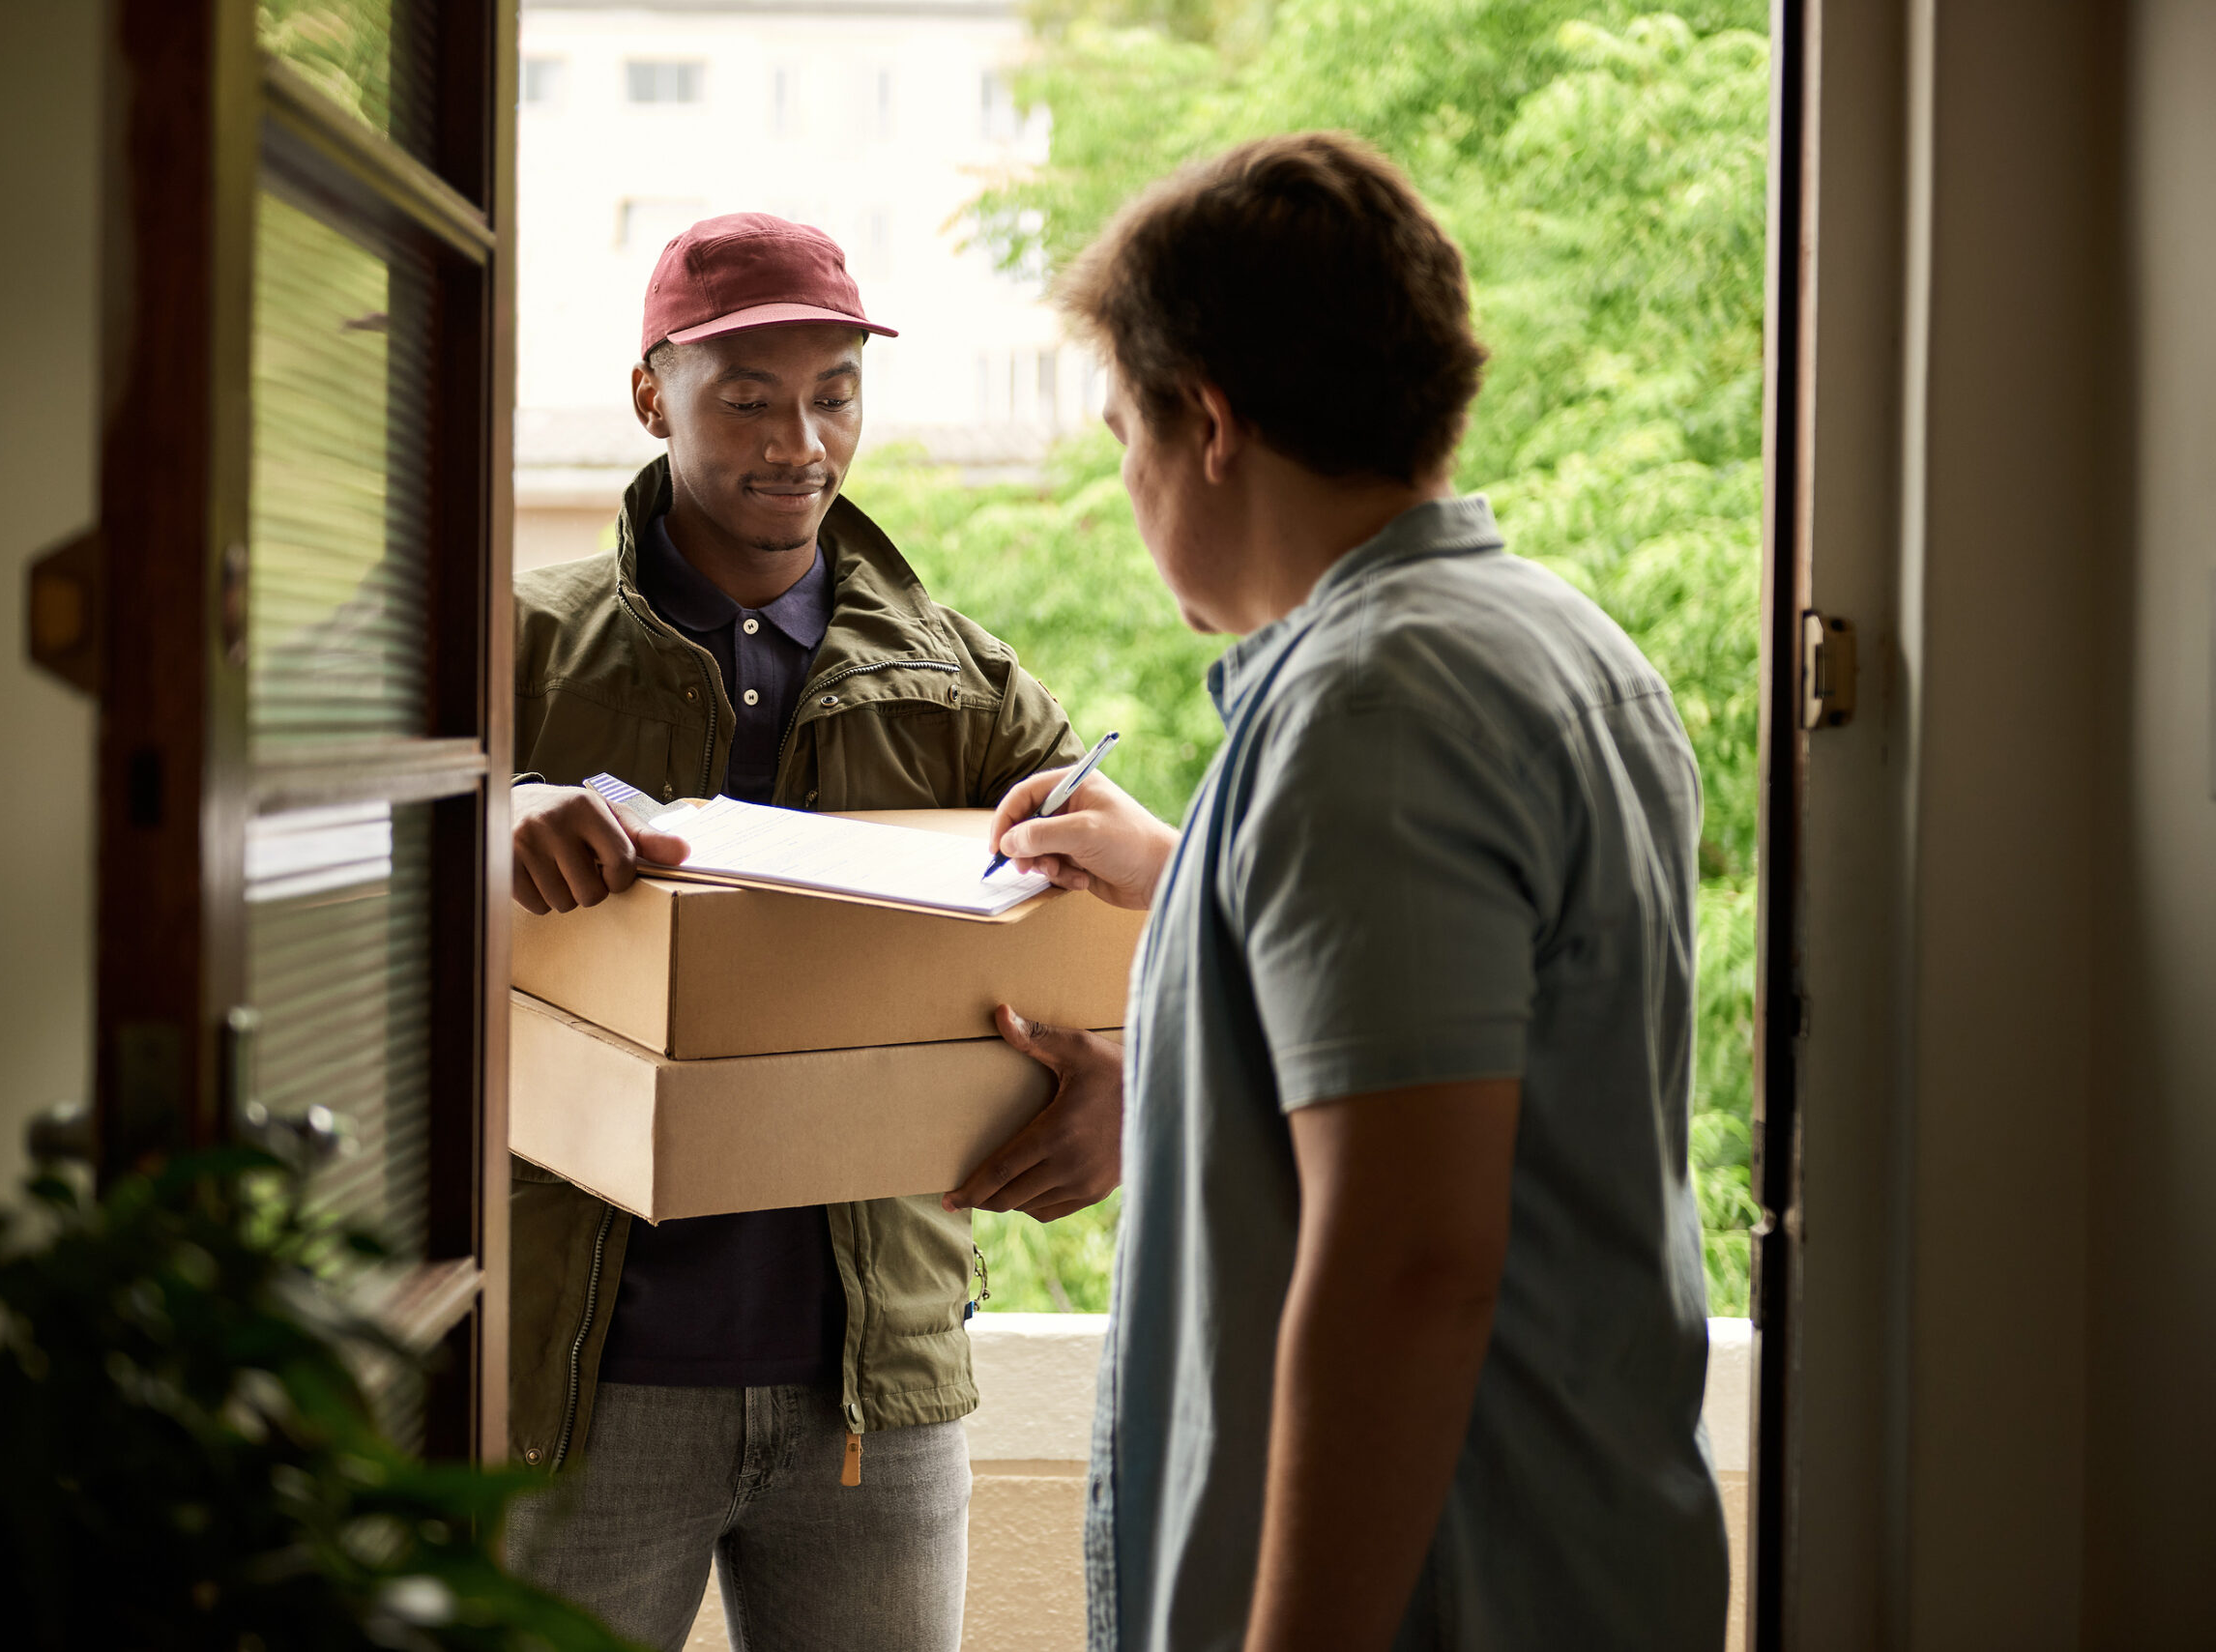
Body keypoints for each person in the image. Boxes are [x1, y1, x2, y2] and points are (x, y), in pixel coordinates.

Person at [972, 133, 1731, 1649]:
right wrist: (1191, 875)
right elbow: (1451, 1027)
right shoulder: (1551, 644)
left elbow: (1409, 1262)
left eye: (1124, 429)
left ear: (1212, 424)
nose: (1124, 481)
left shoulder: (1372, 714)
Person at [504, 212, 1118, 1652]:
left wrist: (1123, 1088)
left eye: (835, 392)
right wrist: (495, 819)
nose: (802, 443)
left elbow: (1126, 908)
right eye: (749, 398)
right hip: (582, 1383)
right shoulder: (514, 647)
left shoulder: (965, 680)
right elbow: (337, 858)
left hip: (875, 1388)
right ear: (652, 395)